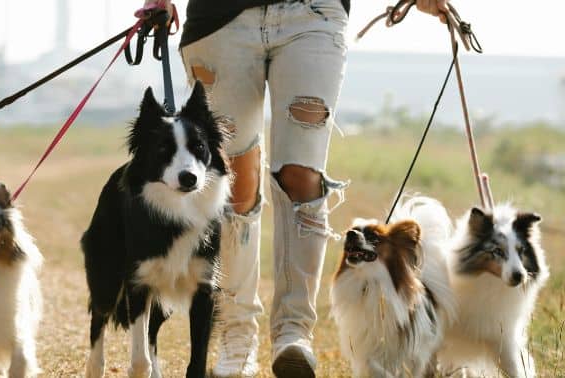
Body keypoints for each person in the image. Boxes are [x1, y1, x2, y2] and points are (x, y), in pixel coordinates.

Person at [142, 0, 451, 376]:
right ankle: (237, 333)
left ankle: (294, 330)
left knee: (302, 175)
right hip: (219, 19)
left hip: (314, 15)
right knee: (235, 179)